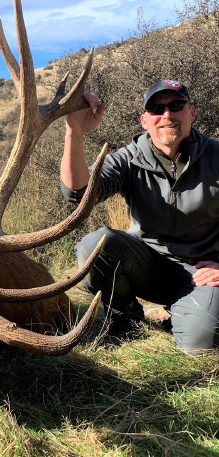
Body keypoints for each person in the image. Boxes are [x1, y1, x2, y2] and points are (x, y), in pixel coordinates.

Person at [61, 79, 219, 355]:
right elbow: (78, 193)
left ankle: (180, 314)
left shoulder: (216, 155)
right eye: (157, 109)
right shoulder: (129, 158)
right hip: (146, 266)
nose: (167, 115)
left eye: (176, 106)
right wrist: (74, 131)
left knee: (201, 345)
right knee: (93, 247)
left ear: (192, 112)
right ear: (145, 121)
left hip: (200, 274)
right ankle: (126, 315)